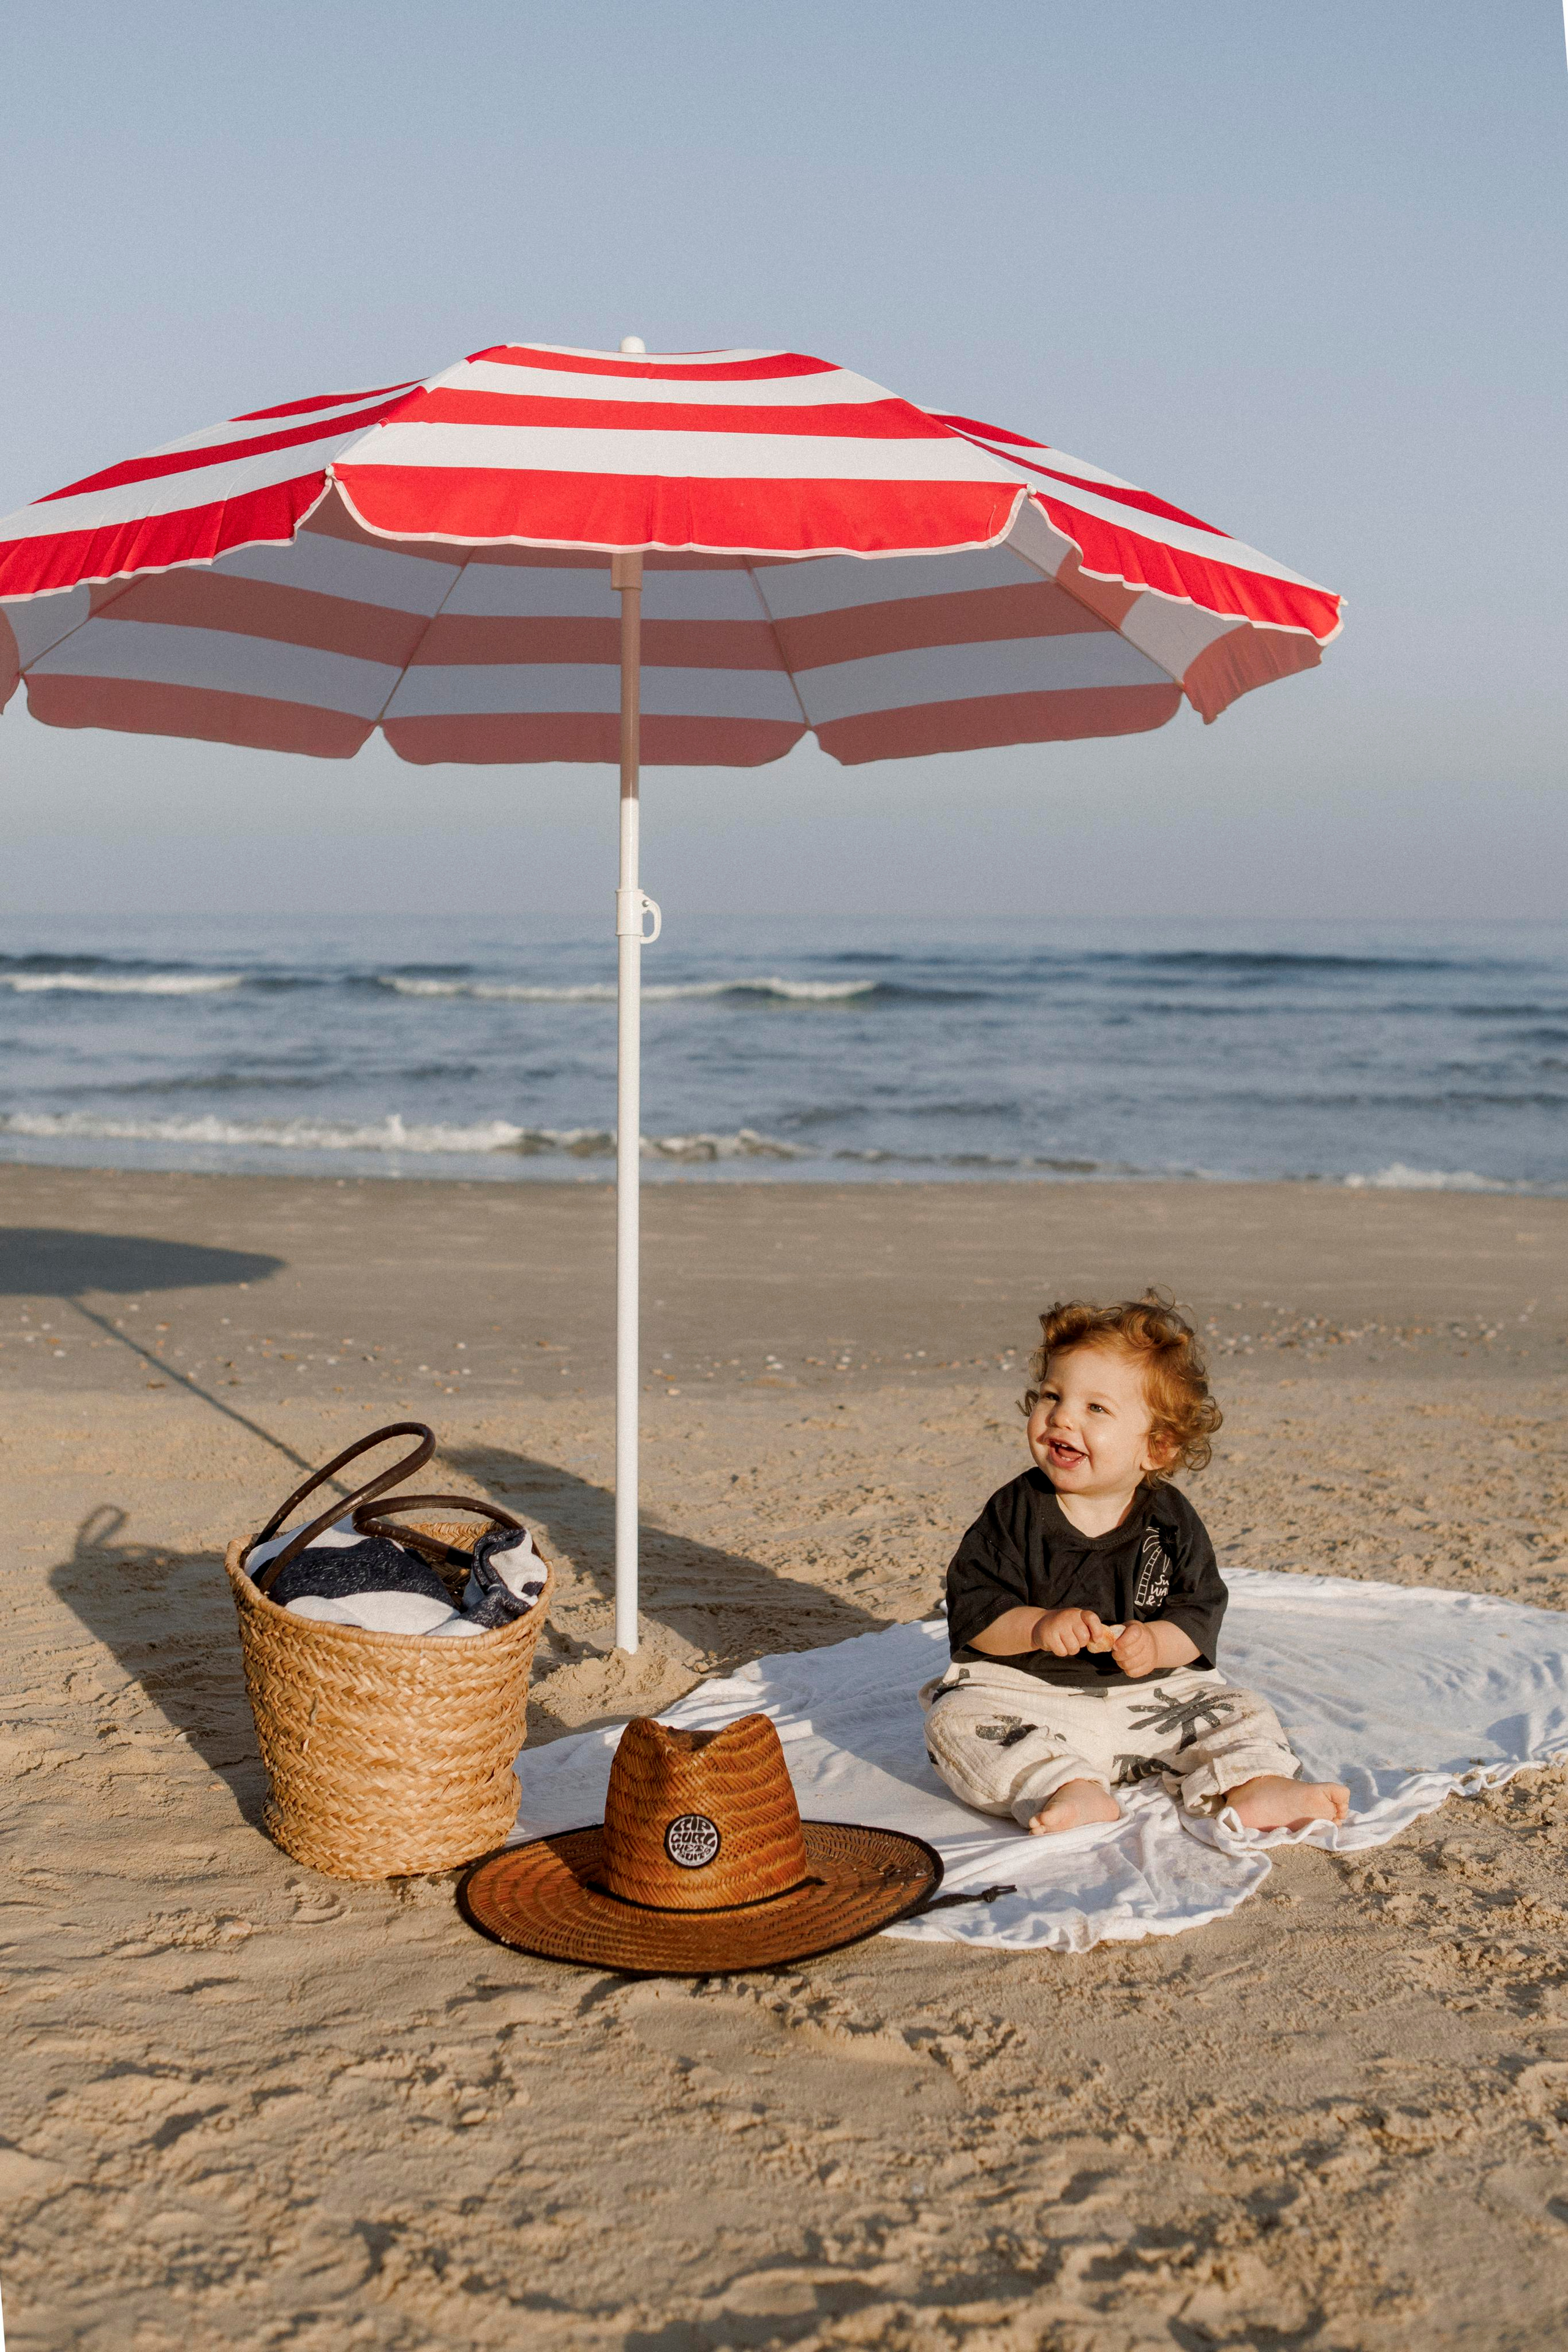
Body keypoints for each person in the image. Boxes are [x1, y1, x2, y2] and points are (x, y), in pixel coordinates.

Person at [921, 1292, 1349, 1837]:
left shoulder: (1171, 1520)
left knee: (1243, 1710)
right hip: (1027, 1698)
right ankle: (1065, 1787)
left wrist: (1156, 1643)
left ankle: (1256, 1786)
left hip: (1153, 1703)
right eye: (1052, 1396)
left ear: (1157, 1447)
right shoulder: (1014, 1511)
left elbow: (1198, 1614)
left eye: (1095, 1408)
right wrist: (1037, 1625)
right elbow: (977, 1613)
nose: (1062, 1418)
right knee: (953, 1722)